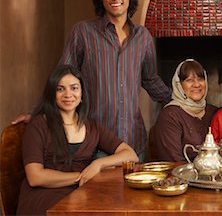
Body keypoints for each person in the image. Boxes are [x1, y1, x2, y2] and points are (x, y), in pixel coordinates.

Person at [13, 0, 171, 161]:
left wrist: (180, 103)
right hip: (95, 142)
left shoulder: (143, 37)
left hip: (133, 142)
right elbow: (61, 77)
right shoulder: (83, 33)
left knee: (134, 192)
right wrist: (37, 113)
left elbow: (151, 80)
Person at [16, 65, 138, 216]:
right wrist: (83, 176)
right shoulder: (38, 125)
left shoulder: (92, 126)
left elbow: (130, 154)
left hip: (81, 193)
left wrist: (98, 164)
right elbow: (35, 177)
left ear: (82, 94)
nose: (68, 94)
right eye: (60, 89)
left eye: (74, 88)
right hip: (44, 195)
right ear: (52, 94)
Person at [152, 59, 217, 162]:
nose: (196, 84)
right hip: (182, 175)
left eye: (200, 79)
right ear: (179, 85)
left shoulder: (213, 112)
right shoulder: (170, 115)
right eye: (189, 80)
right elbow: (173, 161)